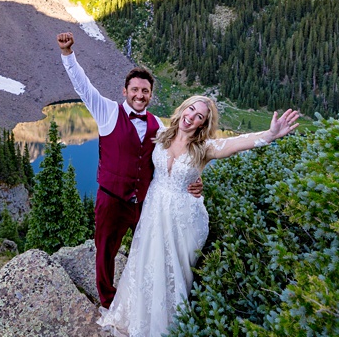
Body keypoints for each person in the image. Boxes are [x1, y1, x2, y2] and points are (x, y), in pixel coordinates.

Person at [98, 95, 301, 337]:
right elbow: (133, 153)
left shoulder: (203, 148)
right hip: (154, 209)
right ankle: (138, 318)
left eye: (199, 117)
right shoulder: (162, 134)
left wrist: (268, 135)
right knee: (146, 262)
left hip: (184, 219)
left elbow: (236, 143)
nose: (191, 117)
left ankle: (166, 326)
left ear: (202, 124)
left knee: (172, 270)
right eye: (191, 109)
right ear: (183, 108)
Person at [57, 32, 202, 308]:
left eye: (145, 91)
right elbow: (82, 86)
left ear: (150, 95)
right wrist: (68, 54)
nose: (139, 95)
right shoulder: (107, 112)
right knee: (106, 251)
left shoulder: (158, 124)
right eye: (135, 90)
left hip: (145, 202)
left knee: (148, 250)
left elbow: (177, 155)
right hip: (111, 199)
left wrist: (195, 179)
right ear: (125, 91)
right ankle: (107, 301)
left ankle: (143, 299)